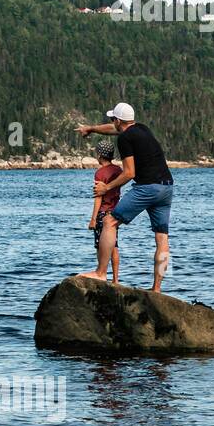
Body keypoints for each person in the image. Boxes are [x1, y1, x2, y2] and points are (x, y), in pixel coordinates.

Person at [76, 102, 175, 292]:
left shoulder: (124, 140)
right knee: (162, 238)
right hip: (167, 187)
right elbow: (112, 130)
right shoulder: (142, 129)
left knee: (109, 222)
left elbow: (129, 173)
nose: (112, 123)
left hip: (147, 188)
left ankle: (101, 272)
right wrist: (92, 128)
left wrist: (107, 188)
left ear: (118, 120)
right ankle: (157, 289)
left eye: (113, 119)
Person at [88, 138, 123, 282]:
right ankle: (115, 279)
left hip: (103, 213)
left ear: (100, 156)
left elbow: (98, 197)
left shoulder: (99, 173)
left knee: (100, 246)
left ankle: (101, 274)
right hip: (115, 213)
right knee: (114, 246)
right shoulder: (118, 170)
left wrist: (93, 219)